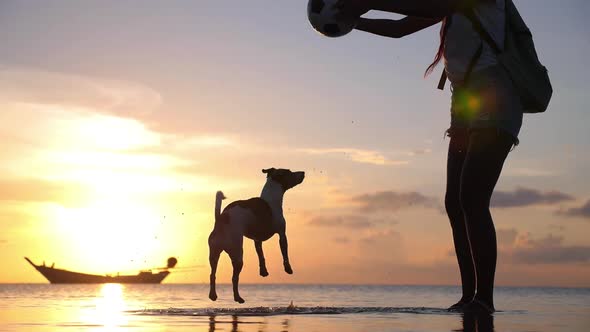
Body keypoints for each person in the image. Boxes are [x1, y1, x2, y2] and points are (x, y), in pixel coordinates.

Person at [337, 0, 523, 313]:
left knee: (472, 199)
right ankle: (469, 297)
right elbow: (399, 29)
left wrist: (366, 3)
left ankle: (484, 299)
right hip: (464, 104)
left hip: (495, 96)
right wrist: (351, 22)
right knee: (456, 203)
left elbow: (422, 4)